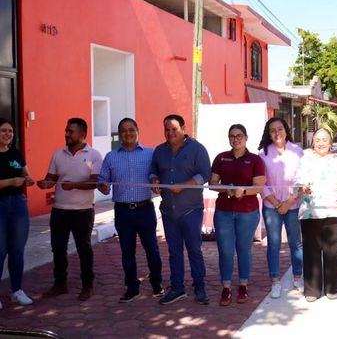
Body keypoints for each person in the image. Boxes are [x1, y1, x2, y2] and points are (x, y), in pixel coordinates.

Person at [97, 118, 163, 303]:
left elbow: (156, 175)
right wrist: (102, 186)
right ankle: (132, 287)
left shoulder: (150, 153)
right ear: (119, 134)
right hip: (123, 211)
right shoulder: (111, 157)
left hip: (145, 209)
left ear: (138, 131)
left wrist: (156, 182)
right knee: (127, 252)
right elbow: (103, 181)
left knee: (152, 249)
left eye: (131, 129)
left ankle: (157, 283)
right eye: (124, 130)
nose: (128, 133)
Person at [37, 117, 103, 301]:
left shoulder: (94, 155)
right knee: (58, 248)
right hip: (59, 210)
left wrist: (73, 185)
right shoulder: (58, 154)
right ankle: (60, 284)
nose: (66, 134)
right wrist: (45, 183)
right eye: (66, 130)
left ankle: (87, 285)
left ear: (82, 134)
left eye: (70, 131)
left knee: (84, 248)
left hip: (83, 211)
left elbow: (95, 182)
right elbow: (51, 177)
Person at [149, 114, 211, 305]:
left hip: (191, 210)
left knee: (194, 249)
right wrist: (154, 181)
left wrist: (185, 185)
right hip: (168, 211)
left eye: (174, 129)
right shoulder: (159, 151)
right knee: (174, 251)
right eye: (167, 129)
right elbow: (153, 171)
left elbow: (205, 174)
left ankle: (199, 287)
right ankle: (177, 288)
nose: (170, 133)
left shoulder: (197, 149)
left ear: (183, 129)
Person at [209, 124, 265, 306]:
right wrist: (226, 189)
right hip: (223, 211)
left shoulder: (255, 160)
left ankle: (243, 284)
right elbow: (212, 183)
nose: (236, 139)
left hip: (247, 212)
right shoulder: (221, 158)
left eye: (239, 135)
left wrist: (244, 192)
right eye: (232, 136)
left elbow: (258, 187)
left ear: (246, 138)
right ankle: (226, 286)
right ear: (229, 139)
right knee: (225, 250)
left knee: (243, 249)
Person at [296, 128, 337, 302]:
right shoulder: (304, 159)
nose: (321, 143)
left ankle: (332, 287)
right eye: (317, 140)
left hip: (332, 210)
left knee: (331, 251)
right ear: (312, 142)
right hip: (310, 211)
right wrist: (302, 187)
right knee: (311, 251)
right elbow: (297, 182)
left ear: (331, 143)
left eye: (325, 139)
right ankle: (312, 289)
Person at [258, 117, 304, 298]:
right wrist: (277, 203)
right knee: (274, 244)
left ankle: (298, 276)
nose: (277, 133)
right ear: (268, 134)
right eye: (272, 130)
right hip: (272, 206)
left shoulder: (298, 152)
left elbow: (302, 180)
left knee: (296, 243)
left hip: (293, 205)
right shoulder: (263, 154)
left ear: (286, 130)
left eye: (280, 129)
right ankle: (275, 281)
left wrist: (289, 202)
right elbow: (261, 183)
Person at [0, 118, 35, 308]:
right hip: (0, 204)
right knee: (0, 250)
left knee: (17, 249)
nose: (8, 134)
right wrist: (9, 182)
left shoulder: (15, 154)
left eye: (10, 131)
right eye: (4, 131)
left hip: (19, 204)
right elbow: (13, 179)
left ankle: (17, 290)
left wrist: (27, 179)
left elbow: (25, 174)